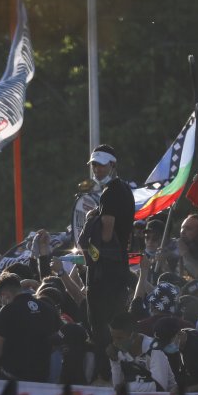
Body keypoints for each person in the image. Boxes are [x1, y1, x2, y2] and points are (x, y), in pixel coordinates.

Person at [78, 144, 135, 381]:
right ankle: (118, 375)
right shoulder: (124, 190)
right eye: (94, 165)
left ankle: (107, 376)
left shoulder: (111, 192)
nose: (97, 169)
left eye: (101, 165)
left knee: (102, 328)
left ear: (112, 164)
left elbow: (107, 234)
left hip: (106, 272)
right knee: (115, 324)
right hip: (117, 268)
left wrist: (89, 249)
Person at [0, 272, 61, 382]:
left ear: (5, 295)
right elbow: (55, 340)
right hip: (41, 375)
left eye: (0, 301)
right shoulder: (46, 307)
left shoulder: (8, 310)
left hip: (13, 375)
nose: (1, 304)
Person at [107, 311, 177, 393]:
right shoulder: (119, 351)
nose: (115, 342)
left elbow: (160, 387)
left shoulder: (155, 349)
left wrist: (128, 387)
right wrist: (114, 361)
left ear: (133, 335)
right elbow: (117, 387)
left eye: (119, 338)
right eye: (113, 337)